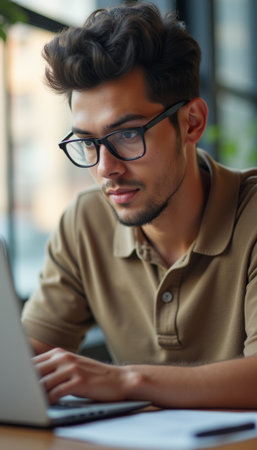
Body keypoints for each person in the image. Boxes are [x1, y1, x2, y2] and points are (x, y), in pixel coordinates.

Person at [22, 2, 257, 408]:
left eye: (128, 135)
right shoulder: (86, 222)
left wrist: (126, 380)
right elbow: (31, 359)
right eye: (87, 142)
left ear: (192, 123)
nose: (105, 168)